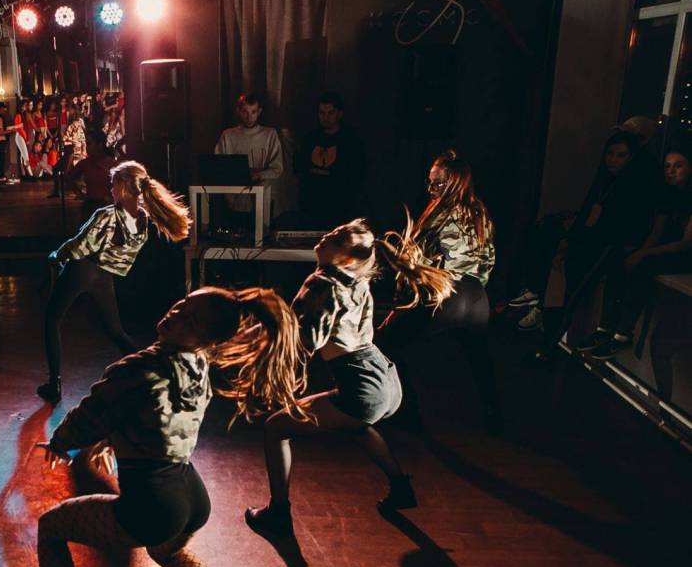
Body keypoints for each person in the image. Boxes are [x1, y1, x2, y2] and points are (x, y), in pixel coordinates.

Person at [28, 285, 310, 567]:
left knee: (50, 527)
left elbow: (92, 413)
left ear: (206, 339)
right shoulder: (198, 366)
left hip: (152, 504)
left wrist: (61, 443)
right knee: (168, 551)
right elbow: (157, 417)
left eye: (190, 321)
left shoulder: (138, 368)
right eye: (182, 305)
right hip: (192, 497)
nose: (176, 315)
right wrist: (116, 439)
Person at [244, 219, 454, 535]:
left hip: (362, 386)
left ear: (346, 257)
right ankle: (401, 487)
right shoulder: (358, 281)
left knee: (276, 428)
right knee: (356, 425)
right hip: (386, 379)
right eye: (332, 232)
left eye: (336, 239)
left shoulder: (321, 283)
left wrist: (266, 335)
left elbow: (308, 342)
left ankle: (278, 514)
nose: (326, 237)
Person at [39, 161, 191, 404]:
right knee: (116, 331)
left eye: (113, 184)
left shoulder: (107, 215)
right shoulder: (143, 221)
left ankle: (54, 384)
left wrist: (57, 255)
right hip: (104, 276)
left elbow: (80, 246)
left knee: (52, 320)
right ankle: (150, 374)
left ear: (123, 186)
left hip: (82, 270)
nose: (110, 189)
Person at [376, 150, 501, 432]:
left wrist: (399, 306)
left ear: (456, 182)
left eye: (438, 183)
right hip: (477, 297)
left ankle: (408, 415)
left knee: (387, 341)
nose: (431, 189)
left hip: (447, 293)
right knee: (478, 355)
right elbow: (488, 258)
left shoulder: (440, 215)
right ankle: (494, 414)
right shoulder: (479, 211)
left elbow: (419, 267)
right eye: (429, 182)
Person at [512, 131, 654, 353]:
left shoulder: (632, 185)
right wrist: (570, 239)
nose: (613, 160)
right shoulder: (604, 181)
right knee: (564, 295)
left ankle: (547, 348)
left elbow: (621, 224)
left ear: (631, 157)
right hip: (588, 243)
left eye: (621, 155)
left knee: (571, 298)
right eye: (610, 154)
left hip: (604, 246)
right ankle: (547, 343)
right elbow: (588, 212)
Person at [589, 143, 692, 359]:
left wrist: (643, 255)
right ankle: (605, 327)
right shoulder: (668, 195)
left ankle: (623, 334)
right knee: (620, 258)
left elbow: (685, 244)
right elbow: (656, 234)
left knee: (643, 265)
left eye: (678, 166)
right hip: (669, 250)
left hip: (686, 255)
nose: (671, 171)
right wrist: (637, 252)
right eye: (667, 166)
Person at [294, 91, 366, 229]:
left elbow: (356, 174)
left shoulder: (351, 141)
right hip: (311, 207)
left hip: (340, 208)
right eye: (322, 113)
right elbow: (299, 168)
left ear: (339, 114)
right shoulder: (309, 139)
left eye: (330, 113)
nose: (325, 118)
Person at [214, 91, 285, 225]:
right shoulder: (228, 136)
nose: (249, 117)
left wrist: (259, 174)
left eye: (253, 112)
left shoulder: (270, 135)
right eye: (245, 112)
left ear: (259, 112)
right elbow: (218, 165)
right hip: (234, 200)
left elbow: (277, 167)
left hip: (262, 201)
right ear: (239, 111)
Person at [59, 128, 118, 218]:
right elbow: (68, 178)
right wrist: (79, 193)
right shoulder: (85, 163)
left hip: (107, 206)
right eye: (87, 144)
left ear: (99, 145)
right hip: (90, 205)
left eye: (89, 144)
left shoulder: (112, 164)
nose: (87, 148)